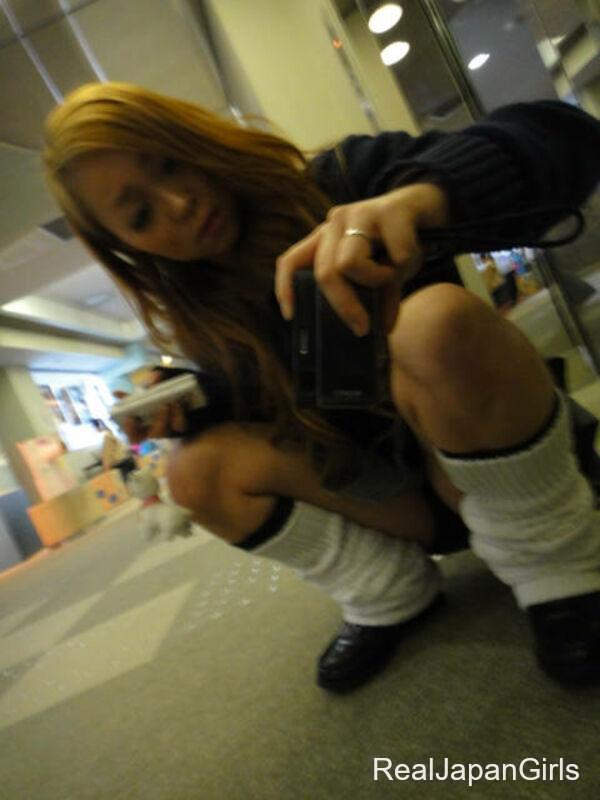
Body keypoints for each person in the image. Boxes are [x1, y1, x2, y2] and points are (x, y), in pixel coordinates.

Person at [43, 82, 600, 692]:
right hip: (403, 500)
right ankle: (388, 592)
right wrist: (191, 403)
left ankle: (558, 567)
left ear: (194, 137)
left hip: (507, 460)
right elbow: (269, 398)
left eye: (171, 163)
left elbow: (568, 135)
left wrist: (423, 199)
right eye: (141, 216)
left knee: (431, 321)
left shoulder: (341, 181)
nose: (177, 203)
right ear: (126, 247)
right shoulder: (202, 316)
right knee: (193, 471)